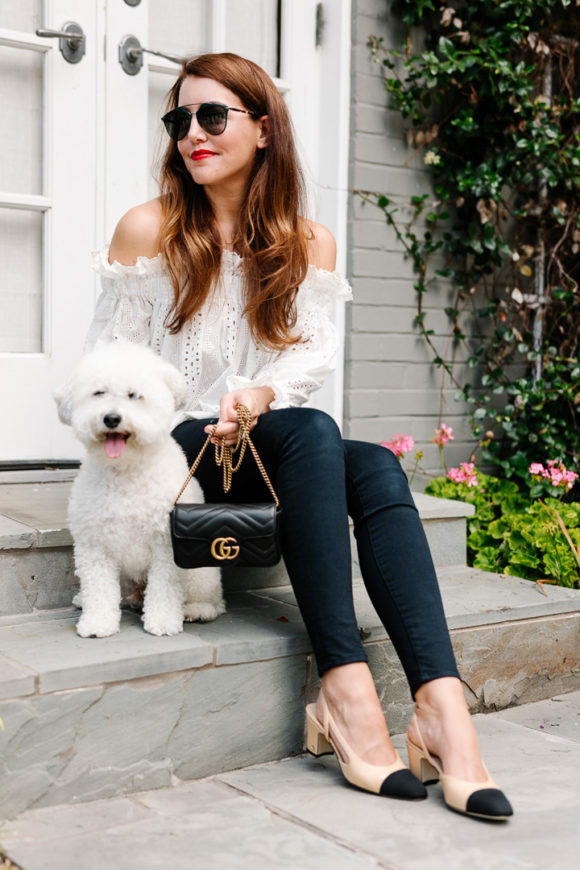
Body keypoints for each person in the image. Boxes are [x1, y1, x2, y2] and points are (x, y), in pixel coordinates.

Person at [87, 52, 512, 820]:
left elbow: (306, 358)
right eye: (179, 119)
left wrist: (259, 394)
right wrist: (224, 407)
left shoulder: (307, 242)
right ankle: (348, 692)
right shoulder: (147, 229)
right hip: (173, 456)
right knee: (316, 432)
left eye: (213, 116)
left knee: (372, 464)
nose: (193, 134)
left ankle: (442, 711)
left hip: (267, 441)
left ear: (263, 128)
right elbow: (113, 371)